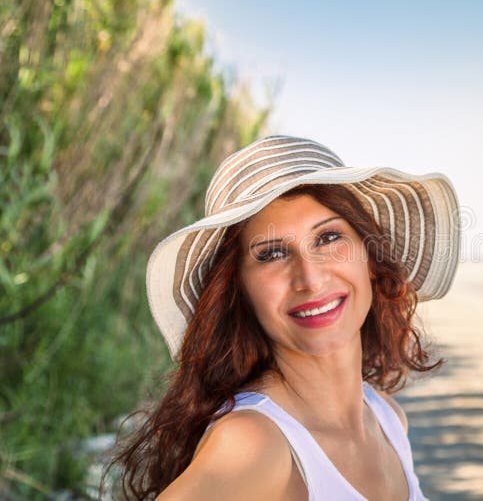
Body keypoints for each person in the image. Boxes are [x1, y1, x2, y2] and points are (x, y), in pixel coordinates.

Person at [107, 135, 461, 500]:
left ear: (370, 257)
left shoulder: (387, 419)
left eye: (327, 238)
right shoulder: (254, 443)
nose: (310, 278)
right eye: (272, 254)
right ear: (238, 290)